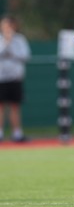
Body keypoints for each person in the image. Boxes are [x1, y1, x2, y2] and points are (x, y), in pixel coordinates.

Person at [0, 15, 31, 143]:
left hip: (15, 78)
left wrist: (11, 47)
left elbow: (25, 56)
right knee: (1, 106)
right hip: (1, 78)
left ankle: (17, 133)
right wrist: (6, 43)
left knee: (15, 106)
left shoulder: (20, 39)